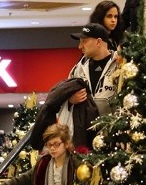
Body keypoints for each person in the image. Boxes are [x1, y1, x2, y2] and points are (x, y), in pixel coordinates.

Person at [29, 23, 114, 151]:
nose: (80, 46)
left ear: (98, 42)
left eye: (84, 41)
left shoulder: (119, 65)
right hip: (84, 140)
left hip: (112, 137)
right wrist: (70, 100)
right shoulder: (78, 69)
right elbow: (64, 100)